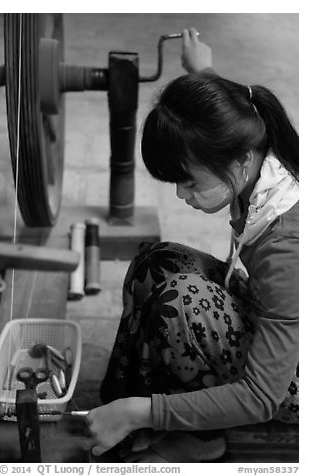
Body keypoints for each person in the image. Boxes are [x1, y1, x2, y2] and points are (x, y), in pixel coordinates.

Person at [84, 28, 299, 462]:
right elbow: (227, 110)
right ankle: (114, 414)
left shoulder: (287, 247)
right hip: (277, 316)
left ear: (240, 161)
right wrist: (200, 69)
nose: (183, 195)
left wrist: (149, 411)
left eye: (189, 182)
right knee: (157, 262)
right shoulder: (256, 136)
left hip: (288, 381)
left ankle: (193, 434)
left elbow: (262, 396)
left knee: (185, 303)